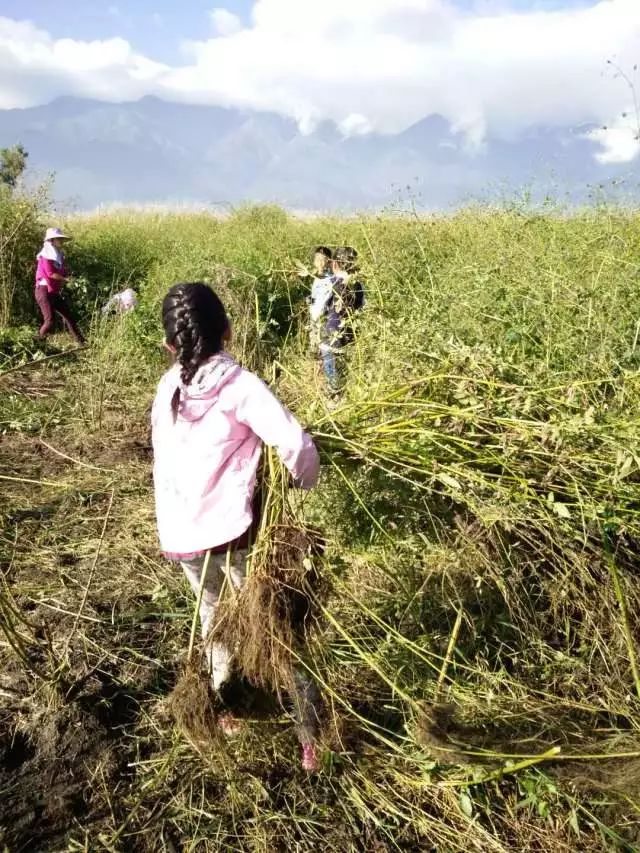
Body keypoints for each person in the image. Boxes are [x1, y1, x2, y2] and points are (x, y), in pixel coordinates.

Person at [151, 282, 322, 772]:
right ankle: (311, 734)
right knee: (276, 627)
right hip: (233, 534)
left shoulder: (167, 389)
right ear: (228, 330)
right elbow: (297, 447)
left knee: (214, 620)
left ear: (170, 346)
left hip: (182, 538)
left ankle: (227, 710)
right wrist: (299, 483)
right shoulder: (240, 386)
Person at [318, 246, 365, 392]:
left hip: (332, 337)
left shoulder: (331, 282)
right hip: (350, 337)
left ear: (335, 264)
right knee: (346, 375)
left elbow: (320, 308)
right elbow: (361, 306)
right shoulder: (358, 285)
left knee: (333, 382)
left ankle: (333, 397)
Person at [34, 227, 84, 344]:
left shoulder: (59, 255)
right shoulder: (45, 255)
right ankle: (37, 343)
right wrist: (66, 279)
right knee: (50, 321)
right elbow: (50, 273)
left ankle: (81, 342)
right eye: (59, 239)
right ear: (51, 240)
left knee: (69, 316)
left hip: (53, 292)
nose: (61, 241)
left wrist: (70, 277)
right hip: (43, 290)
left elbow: (62, 272)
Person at [308, 246, 333, 351]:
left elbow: (327, 298)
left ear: (329, 261)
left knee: (323, 346)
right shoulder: (315, 277)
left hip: (323, 318)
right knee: (313, 345)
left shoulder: (330, 278)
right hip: (314, 317)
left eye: (323, 259)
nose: (320, 262)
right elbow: (316, 296)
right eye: (318, 259)